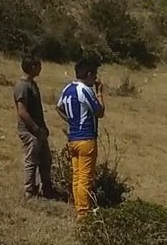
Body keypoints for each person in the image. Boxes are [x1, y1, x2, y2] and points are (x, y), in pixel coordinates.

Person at [56, 57, 105, 219]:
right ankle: (83, 213)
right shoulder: (85, 90)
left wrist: (72, 120)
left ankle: (78, 206)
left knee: (77, 176)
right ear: (89, 74)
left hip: (73, 138)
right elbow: (100, 112)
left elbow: (59, 107)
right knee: (85, 178)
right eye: (95, 75)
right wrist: (99, 94)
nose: (96, 78)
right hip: (86, 138)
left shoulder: (68, 88)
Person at [13, 55, 53, 199]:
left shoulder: (33, 84)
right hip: (29, 131)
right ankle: (29, 191)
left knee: (45, 159)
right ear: (32, 67)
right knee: (32, 161)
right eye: (38, 66)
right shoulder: (22, 86)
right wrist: (35, 129)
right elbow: (22, 111)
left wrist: (43, 127)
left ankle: (47, 187)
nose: (41, 68)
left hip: (38, 130)